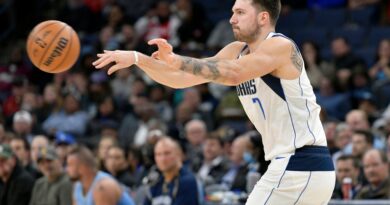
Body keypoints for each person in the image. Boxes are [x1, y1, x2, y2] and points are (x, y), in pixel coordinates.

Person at [93, 0, 335, 204]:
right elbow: (179, 78)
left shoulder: (280, 46)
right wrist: (138, 58)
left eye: (240, 12)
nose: (232, 19)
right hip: (296, 167)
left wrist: (176, 59)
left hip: (301, 163)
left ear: (263, 18)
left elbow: (232, 74)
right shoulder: (236, 51)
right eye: (232, 12)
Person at [66, 145, 135, 205]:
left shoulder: (103, 186)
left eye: (70, 165)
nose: (67, 169)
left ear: (82, 167)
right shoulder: (78, 186)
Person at [144, 137, 199, 205]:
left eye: (167, 153)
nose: (163, 159)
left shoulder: (187, 181)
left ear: (179, 154)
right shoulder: (154, 183)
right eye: (158, 154)